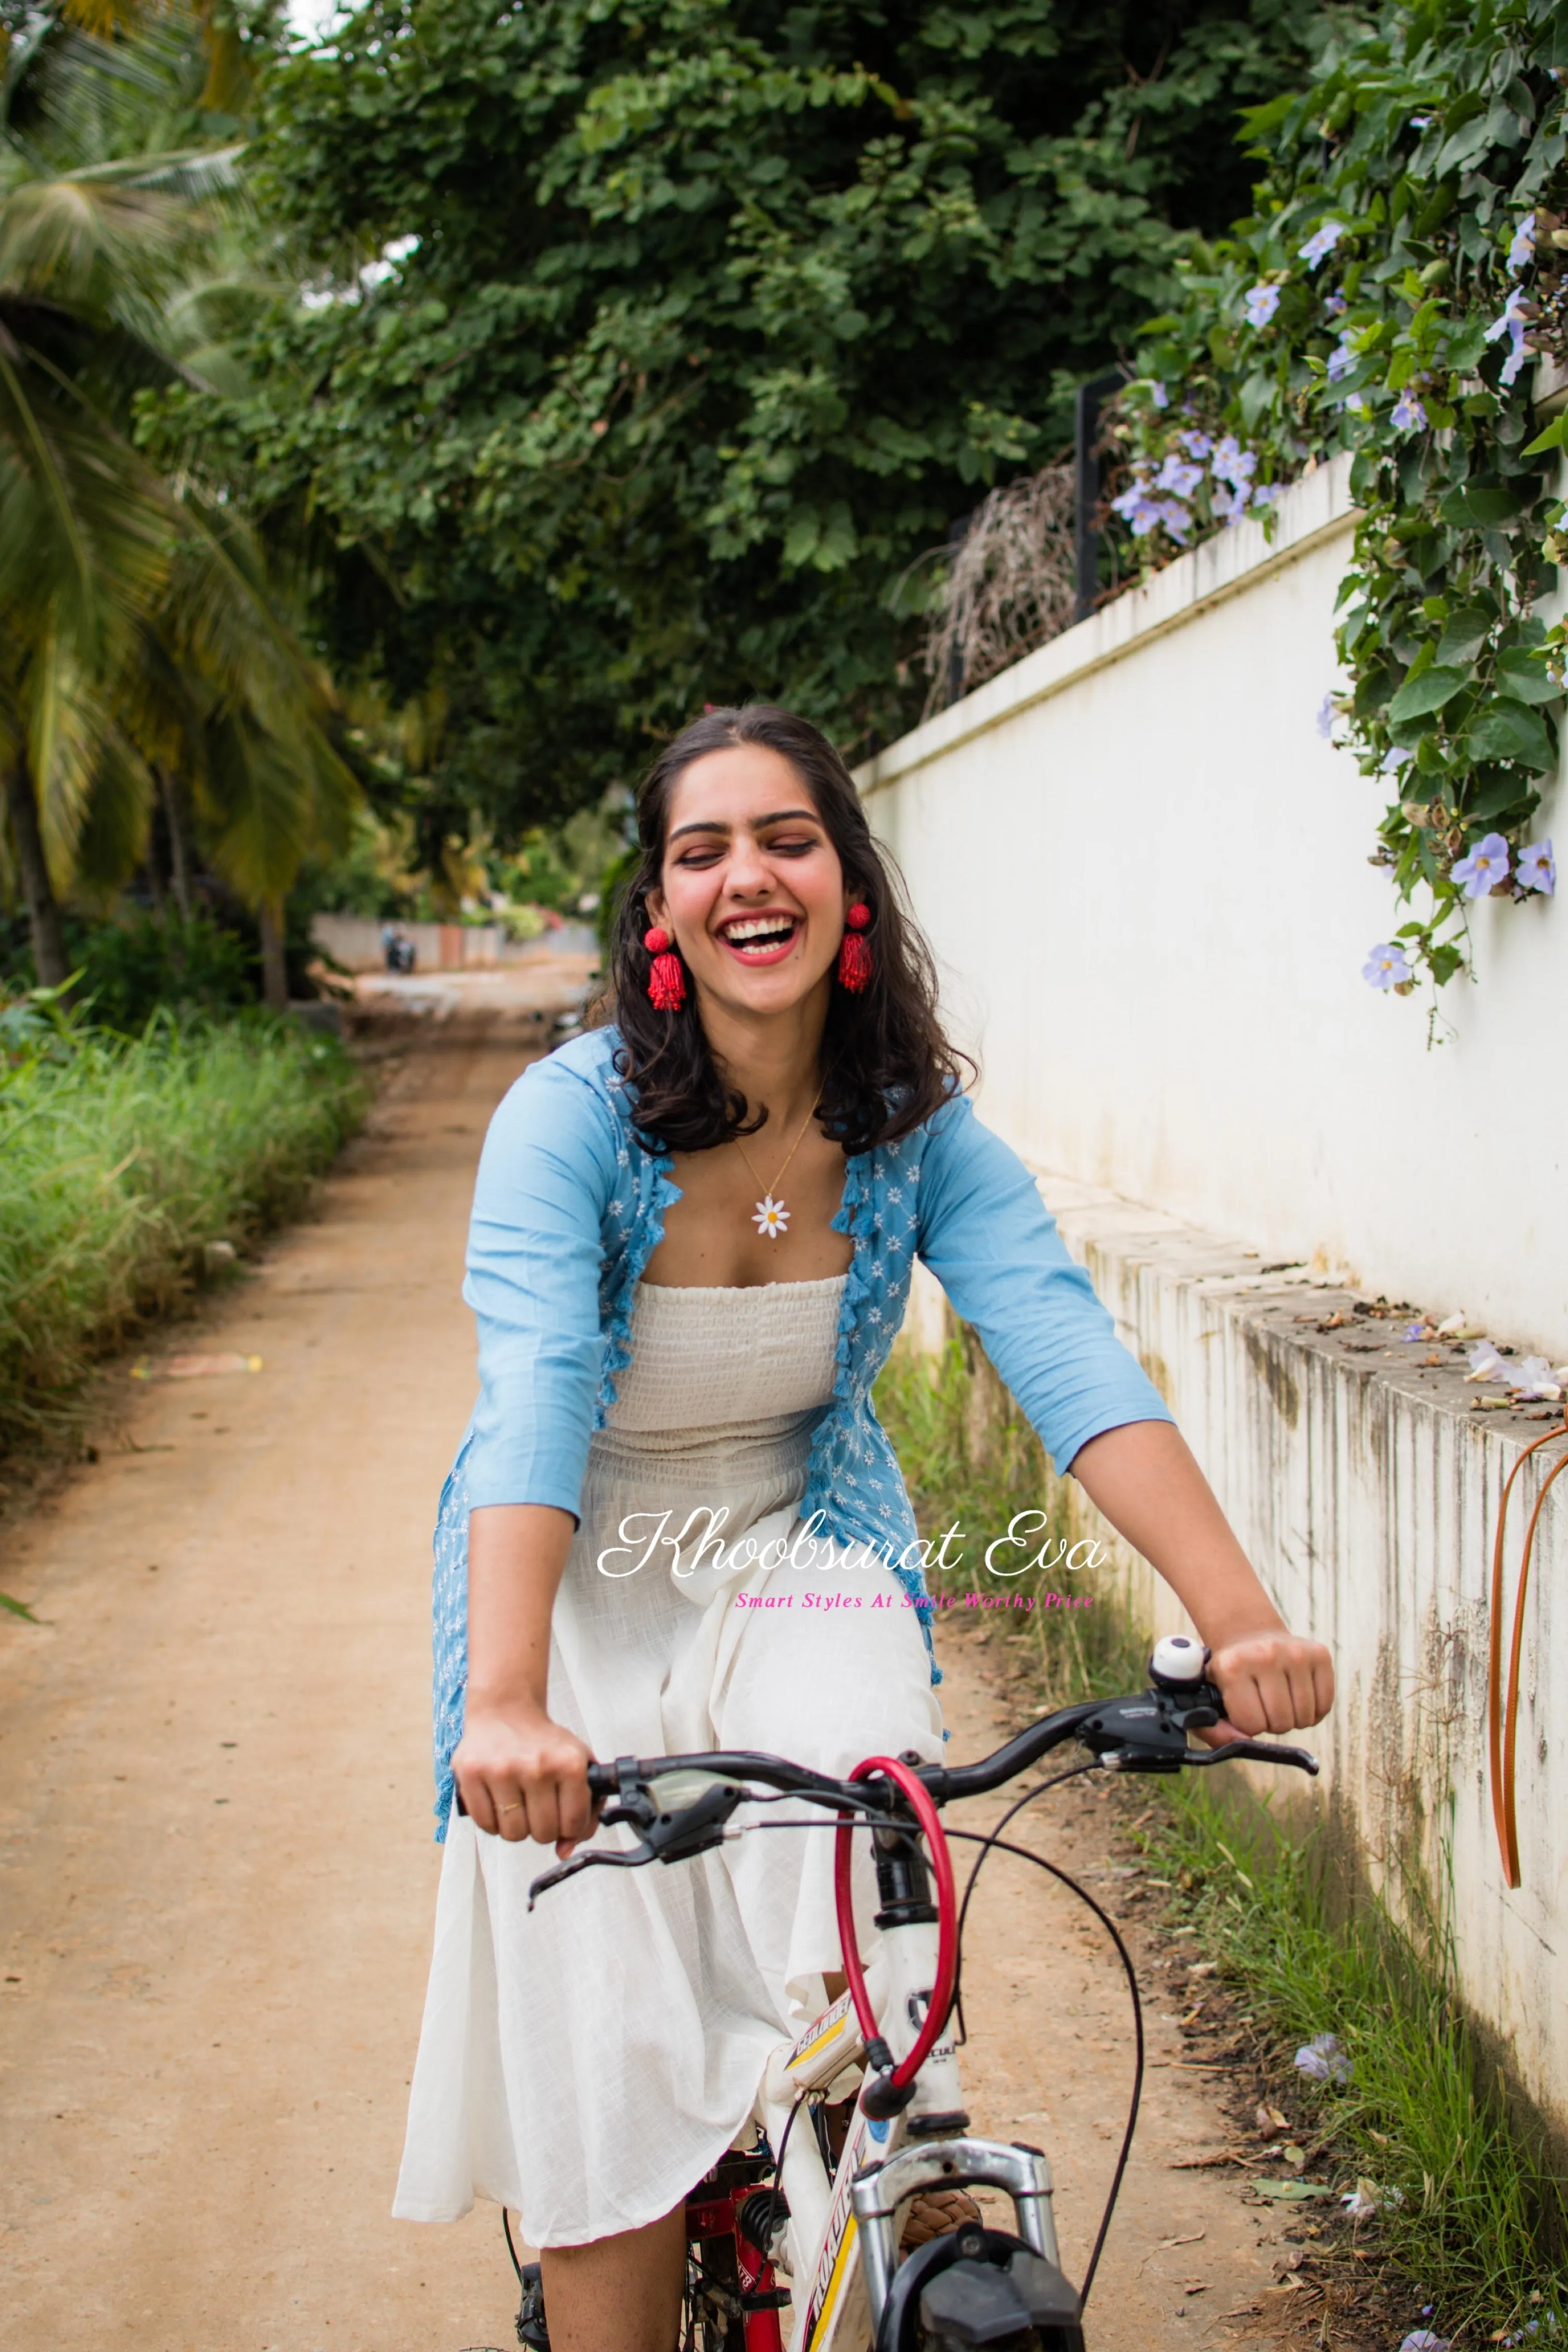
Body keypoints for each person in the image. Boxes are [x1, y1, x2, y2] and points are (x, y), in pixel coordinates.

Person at [392, 705, 1334, 2352]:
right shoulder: (569, 1121)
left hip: (790, 1543)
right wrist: (508, 1706)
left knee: (875, 1866)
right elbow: (536, 1392)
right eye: (703, 851)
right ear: (660, 916)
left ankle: (906, 2203)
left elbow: (1061, 1348)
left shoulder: (910, 1123)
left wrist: (1238, 1618)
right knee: (596, 2009)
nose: (747, 876)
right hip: (578, 1577)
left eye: (788, 839)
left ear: (852, 890)